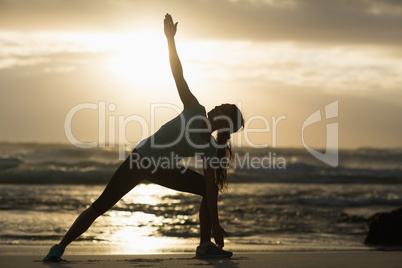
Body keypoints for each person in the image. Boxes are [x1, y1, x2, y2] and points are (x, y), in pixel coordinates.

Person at [43, 13, 244, 262]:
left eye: (222, 108)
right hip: (140, 160)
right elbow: (177, 73)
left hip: (161, 168)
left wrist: (216, 224)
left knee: (207, 187)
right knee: (101, 205)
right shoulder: (195, 108)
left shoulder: (209, 147)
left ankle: (204, 245)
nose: (216, 107)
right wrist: (170, 40)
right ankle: (59, 247)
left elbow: (211, 189)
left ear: (225, 120)